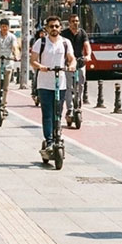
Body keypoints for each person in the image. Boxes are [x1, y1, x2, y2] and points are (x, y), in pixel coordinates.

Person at [29, 15, 75, 150]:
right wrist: (40, 66)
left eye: (56, 26)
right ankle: (49, 140)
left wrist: (72, 65)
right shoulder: (41, 42)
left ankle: (57, 135)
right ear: (46, 28)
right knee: (48, 113)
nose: (54, 28)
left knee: (58, 113)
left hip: (60, 83)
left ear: (60, 28)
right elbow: (33, 60)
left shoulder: (65, 43)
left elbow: (71, 58)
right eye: (51, 26)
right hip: (44, 84)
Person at [60, 14, 92, 120]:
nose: (75, 23)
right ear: (69, 23)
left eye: (77, 21)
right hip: (68, 63)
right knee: (69, 86)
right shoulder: (64, 34)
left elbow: (87, 45)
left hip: (80, 62)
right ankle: (69, 108)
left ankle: (78, 104)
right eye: (73, 21)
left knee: (80, 85)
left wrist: (88, 56)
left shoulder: (82, 33)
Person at [0, 17, 21, 105]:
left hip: (8, 63)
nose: (4, 28)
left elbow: (15, 47)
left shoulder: (12, 37)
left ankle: (3, 102)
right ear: (0, 27)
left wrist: (16, 55)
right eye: (3, 26)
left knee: (6, 87)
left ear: (8, 27)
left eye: (6, 26)